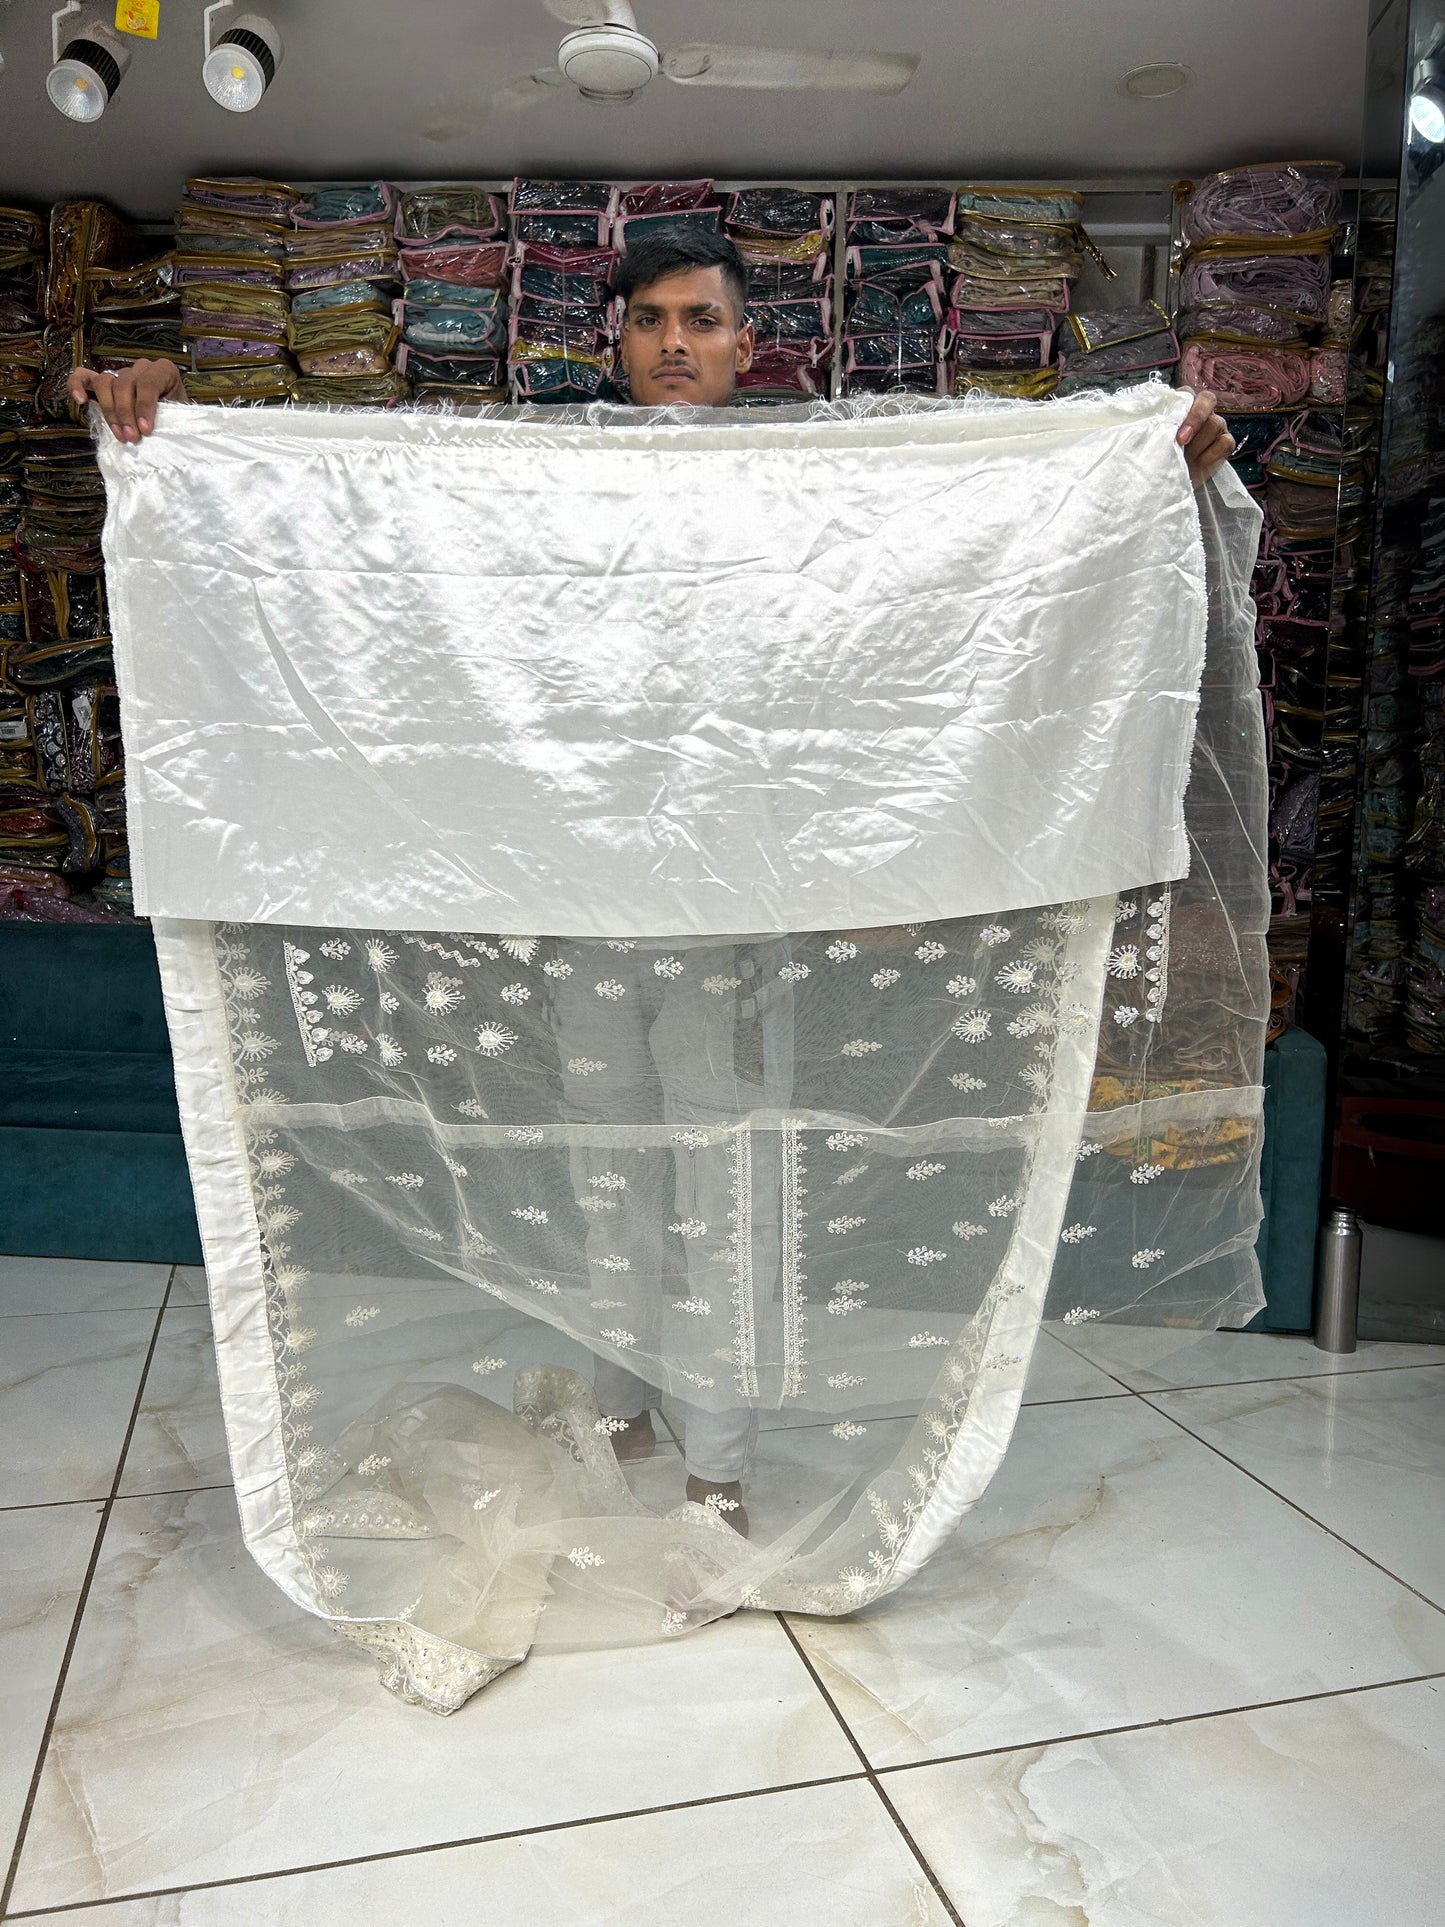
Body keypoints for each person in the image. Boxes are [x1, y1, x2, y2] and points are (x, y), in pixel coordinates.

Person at [68, 229, 1238, 1536]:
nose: (674, 341)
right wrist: (163, 430)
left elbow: (977, 548)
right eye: (650, 322)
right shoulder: (554, 484)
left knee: (721, 1190)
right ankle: (624, 1399)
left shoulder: (815, 491)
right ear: (614, 343)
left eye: (700, 320)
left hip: (731, 931)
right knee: (607, 1177)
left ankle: (718, 1468)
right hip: (584, 920)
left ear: (748, 346)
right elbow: (355, 521)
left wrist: (1136, 466)